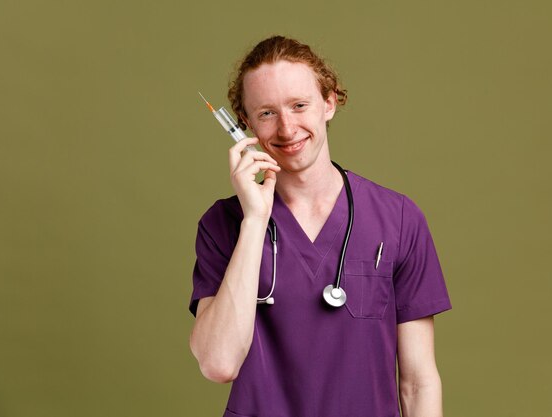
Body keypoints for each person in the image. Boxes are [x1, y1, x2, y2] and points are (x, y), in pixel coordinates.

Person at [188, 35, 452, 417]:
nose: (286, 128)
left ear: (328, 103)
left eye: (299, 105)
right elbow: (219, 363)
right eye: (266, 113)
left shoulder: (397, 219)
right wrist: (255, 219)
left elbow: (418, 382)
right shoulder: (223, 225)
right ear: (244, 124)